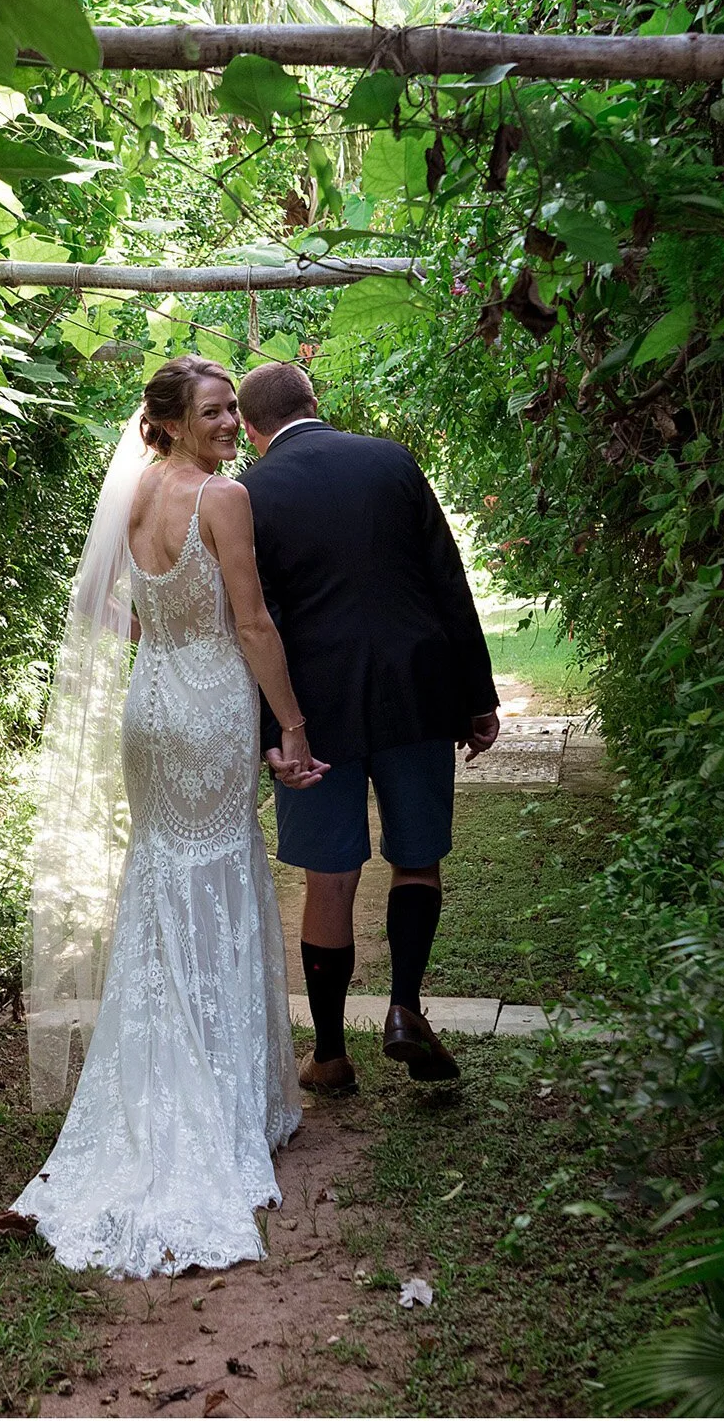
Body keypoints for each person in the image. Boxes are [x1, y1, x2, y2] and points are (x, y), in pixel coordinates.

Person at [1, 356, 326, 1278]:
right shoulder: (221, 499)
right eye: (216, 412)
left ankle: (157, 1083)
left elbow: (119, 611)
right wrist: (291, 726)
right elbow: (255, 625)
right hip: (213, 706)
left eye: (233, 411)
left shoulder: (137, 492)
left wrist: (171, 634)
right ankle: (221, 1099)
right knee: (220, 868)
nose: (231, 424)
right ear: (176, 421)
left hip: (150, 712)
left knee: (162, 874)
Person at [234, 361, 500, 1097]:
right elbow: (449, 581)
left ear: (253, 432)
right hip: (418, 691)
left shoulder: (248, 493)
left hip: (313, 712)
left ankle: (328, 1057)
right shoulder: (392, 460)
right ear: (317, 404)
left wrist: (272, 732)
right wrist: (477, 697)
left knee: (331, 875)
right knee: (417, 860)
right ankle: (406, 1009)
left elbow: (258, 622)